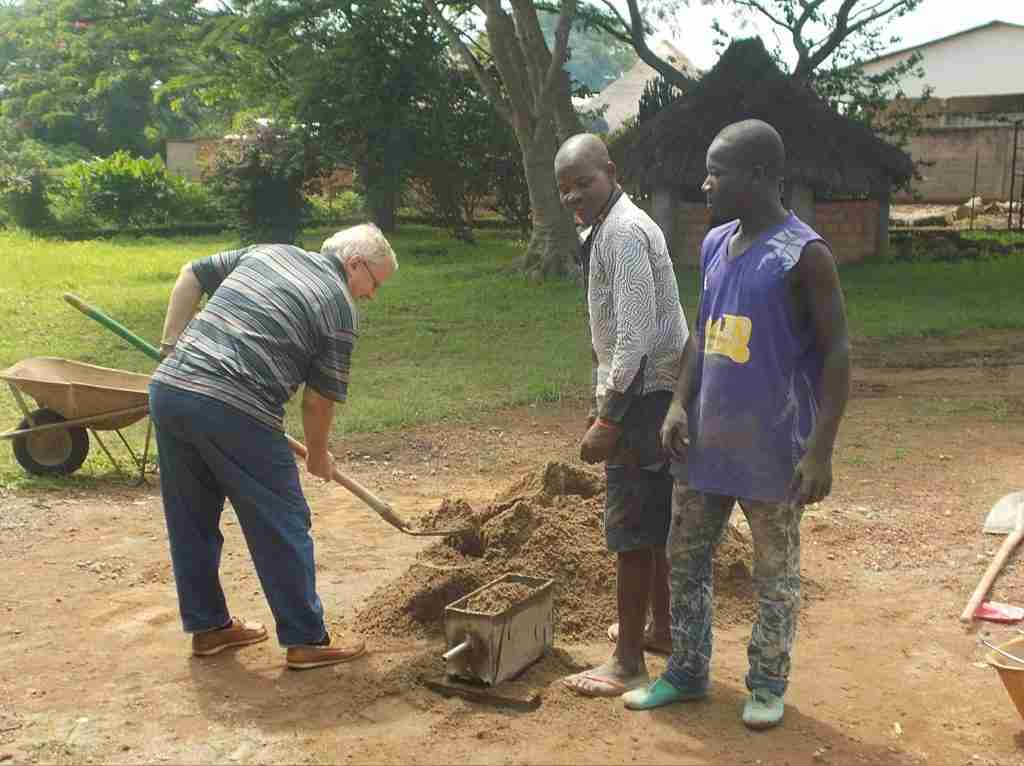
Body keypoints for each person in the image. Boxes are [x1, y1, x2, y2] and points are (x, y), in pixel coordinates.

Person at [621, 120, 850, 729]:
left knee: (773, 574)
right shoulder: (716, 242)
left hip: (775, 451)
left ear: (756, 176)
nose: (705, 184)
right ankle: (688, 673)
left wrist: (821, 451)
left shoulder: (806, 256)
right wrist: (677, 402)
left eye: (715, 172)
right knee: (687, 561)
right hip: (705, 445)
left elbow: (837, 354)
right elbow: (705, 328)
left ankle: (767, 684)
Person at [148, 223, 398, 670]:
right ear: (354, 264)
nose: (371, 295)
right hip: (235, 407)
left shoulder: (270, 250)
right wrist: (319, 456)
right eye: (374, 283)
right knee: (282, 518)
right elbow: (318, 401)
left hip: (170, 391)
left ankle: (209, 628)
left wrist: (171, 348)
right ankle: (307, 639)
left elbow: (191, 273)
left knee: (191, 518)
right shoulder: (338, 307)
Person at [554, 133, 690, 697]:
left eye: (582, 183)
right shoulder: (610, 228)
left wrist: (606, 418)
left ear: (609, 171)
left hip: (643, 397)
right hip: (651, 391)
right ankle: (660, 629)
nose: (573, 197)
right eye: (564, 190)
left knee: (632, 527)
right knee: (652, 520)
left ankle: (627, 660)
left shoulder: (625, 232)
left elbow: (635, 339)